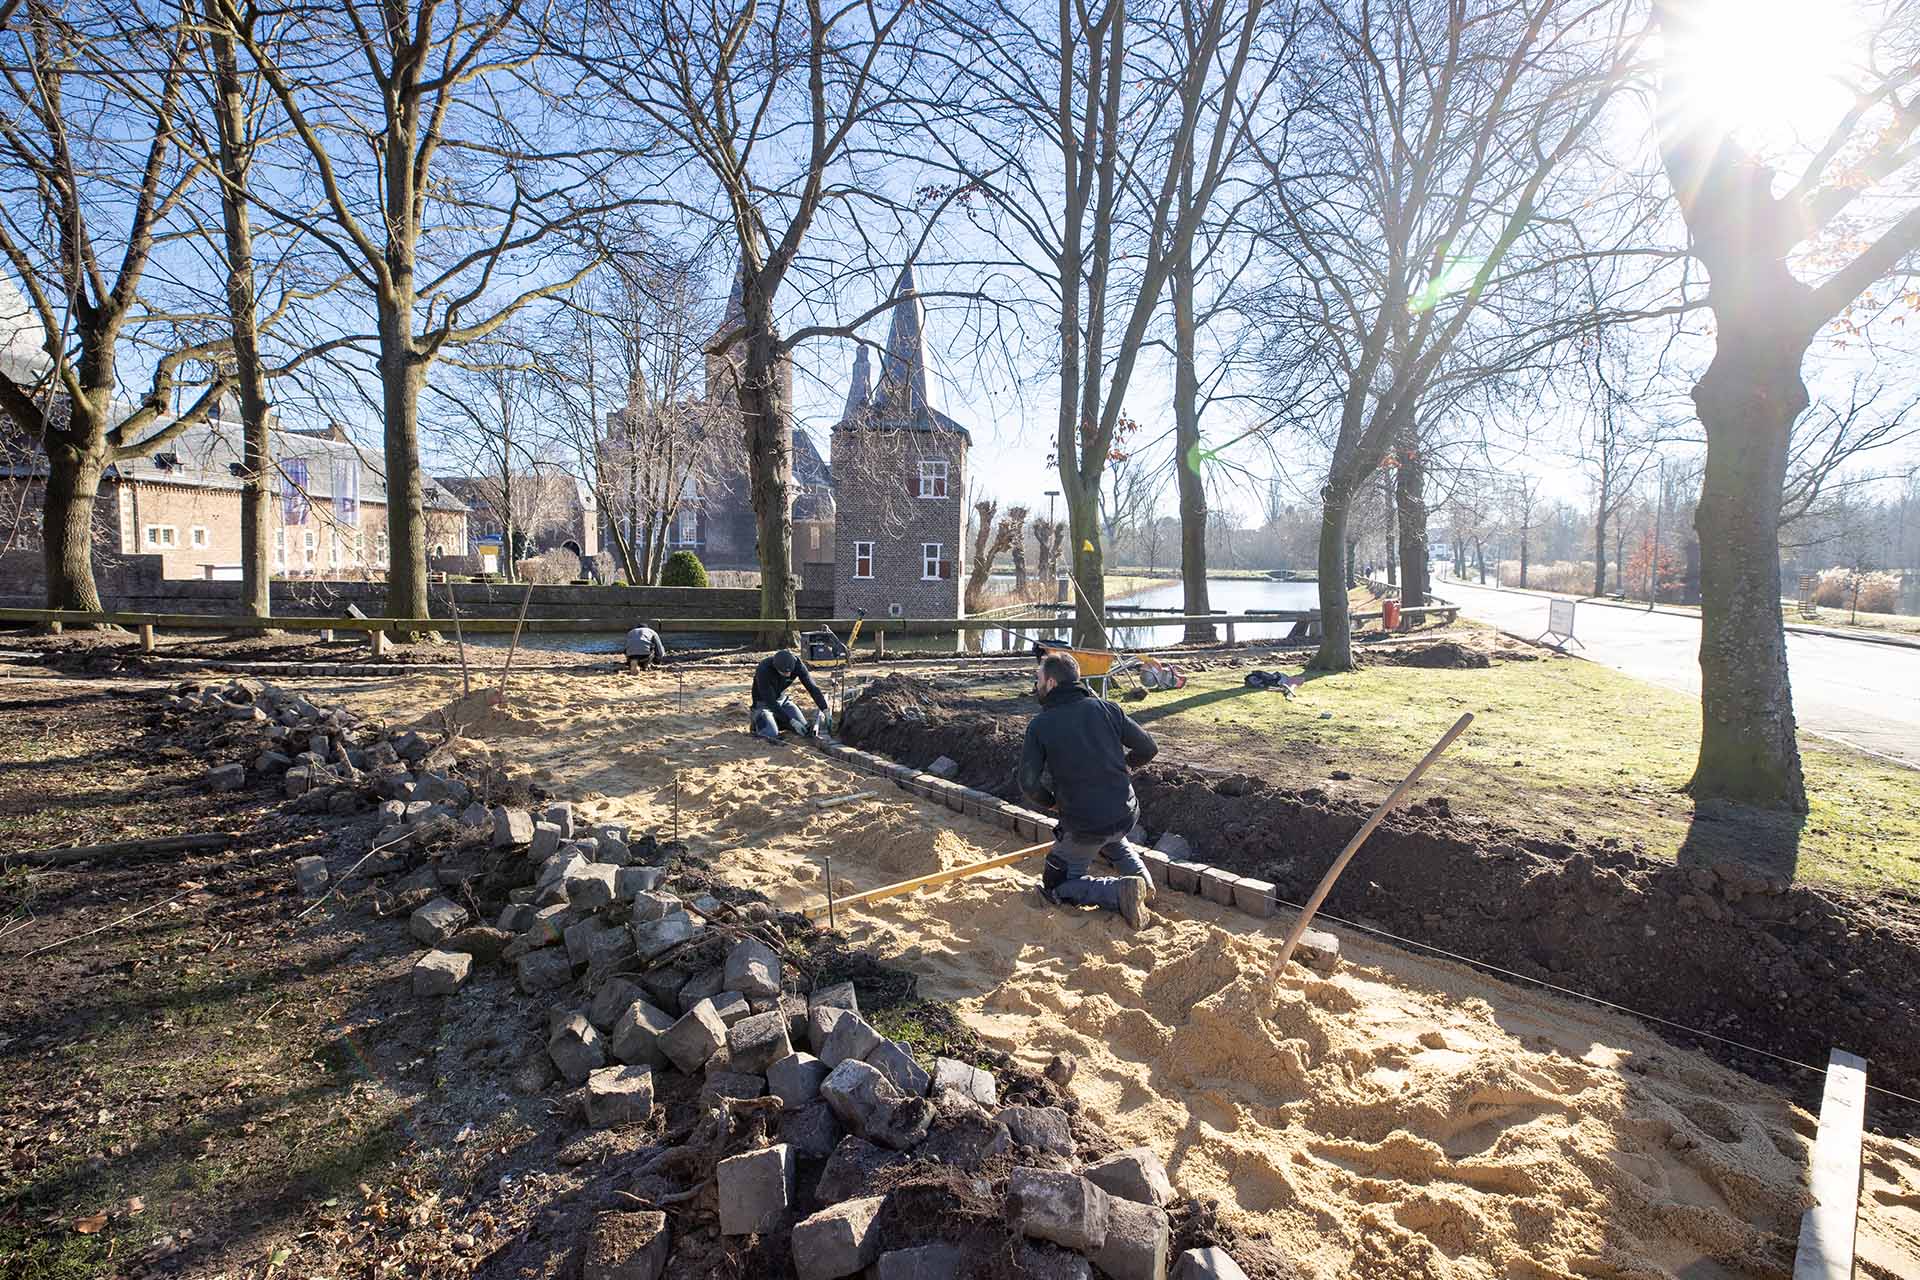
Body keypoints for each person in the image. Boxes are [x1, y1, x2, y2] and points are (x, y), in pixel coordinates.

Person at [1018, 649, 1157, 929]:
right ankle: (1143, 881)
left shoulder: (1041, 725)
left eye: (1038, 679)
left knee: (1057, 884)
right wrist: (1125, 767)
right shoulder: (1108, 708)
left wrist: (1052, 803)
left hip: (1086, 824)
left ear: (1052, 684)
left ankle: (1118, 891)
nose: (1035, 686)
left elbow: (1029, 784)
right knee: (1112, 836)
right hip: (1125, 812)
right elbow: (1148, 747)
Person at [750, 648, 831, 741]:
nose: (788, 675)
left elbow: (812, 687)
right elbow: (770, 702)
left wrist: (825, 709)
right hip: (764, 704)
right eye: (784, 672)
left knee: (805, 728)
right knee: (771, 735)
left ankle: (779, 721)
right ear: (775, 667)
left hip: (782, 701)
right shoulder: (764, 669)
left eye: (790, 671)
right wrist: (791, 722)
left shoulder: (798, 664)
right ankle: (759, 721)